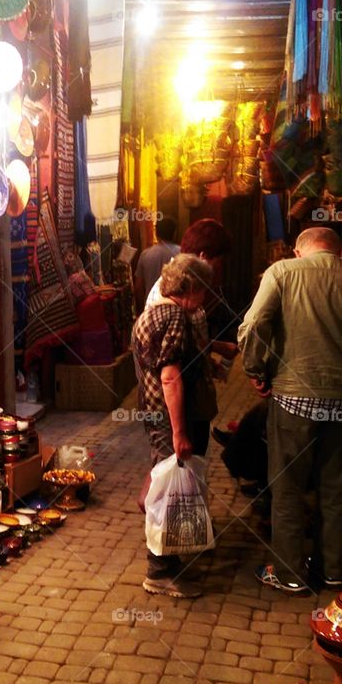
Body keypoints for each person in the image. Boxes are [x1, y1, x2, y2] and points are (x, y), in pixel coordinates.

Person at [237, 226, 342, 593]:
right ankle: (336, 573)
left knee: (288, 488)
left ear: (298, 250)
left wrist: (256, 370)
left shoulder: (282, 272)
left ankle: (290, 574)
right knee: (338, 490)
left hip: (293, 401)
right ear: (338, 252)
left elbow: (254, 325)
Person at [131, 253, 214, 598]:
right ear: (191, 287)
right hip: (165, 415)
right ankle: (159, 571)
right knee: (168, 493)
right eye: (203, 291)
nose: (204, 300)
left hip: (151, 411)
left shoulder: (152, 312)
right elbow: (170, 377)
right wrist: (180, 432)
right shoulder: (175, 316)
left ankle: (168, 561)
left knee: (163, 482)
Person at [134, 217, 180, 311]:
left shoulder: (145, 254)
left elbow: (138, 287)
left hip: (151, 308)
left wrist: (141, 309)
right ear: (174, 233)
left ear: (156, 233)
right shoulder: (181, 253)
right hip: (174, 308)